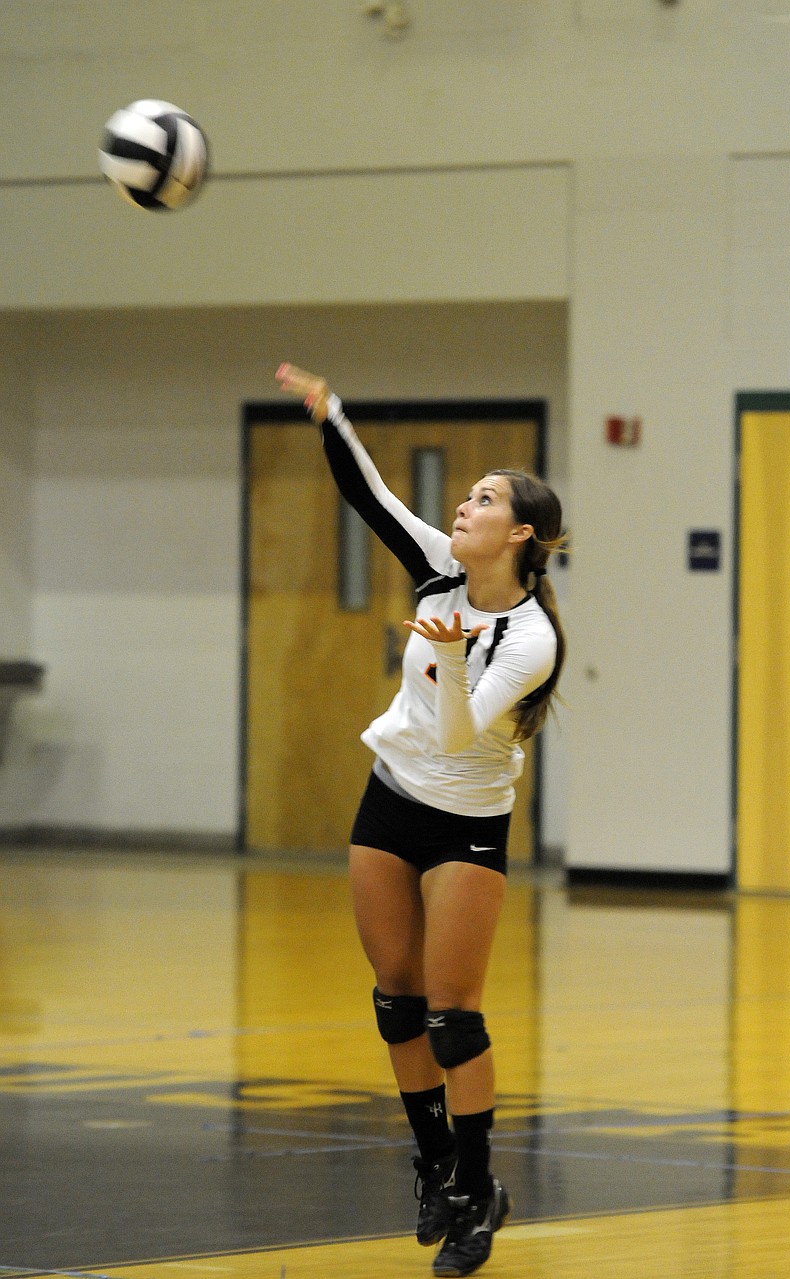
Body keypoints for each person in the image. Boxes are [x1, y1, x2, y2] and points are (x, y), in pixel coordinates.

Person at [275, 362, 567, 1278]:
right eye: (467, 496)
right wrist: (333, 416)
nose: (463, 507)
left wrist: (444, 661)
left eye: (483, 499)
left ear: (521, 533)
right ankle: (436, 1163)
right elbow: (371, 495)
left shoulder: (530, 636)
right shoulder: (437, 571)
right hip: (391, 797)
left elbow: (462, 734)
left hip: (467, 820)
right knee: (396, 1000)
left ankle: (480, 1189)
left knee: (454, 1019)